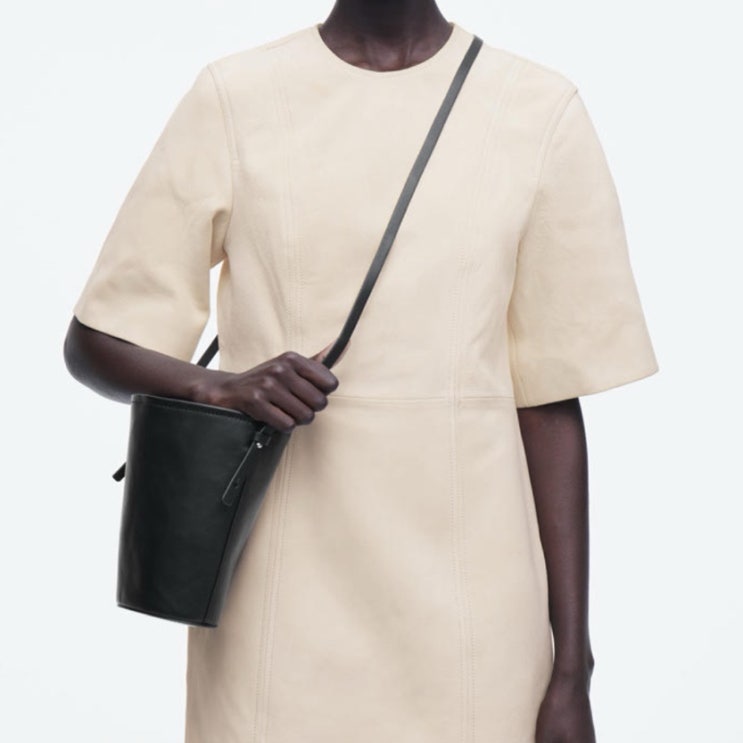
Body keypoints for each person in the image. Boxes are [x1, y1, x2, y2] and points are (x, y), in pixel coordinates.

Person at [63, 1, 658, 741]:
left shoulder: (539, 109)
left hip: (477, 609)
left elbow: (546, 400)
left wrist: (573, 670)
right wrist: (220, 386)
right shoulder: (236, 97)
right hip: (275, 596)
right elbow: (95, 339)